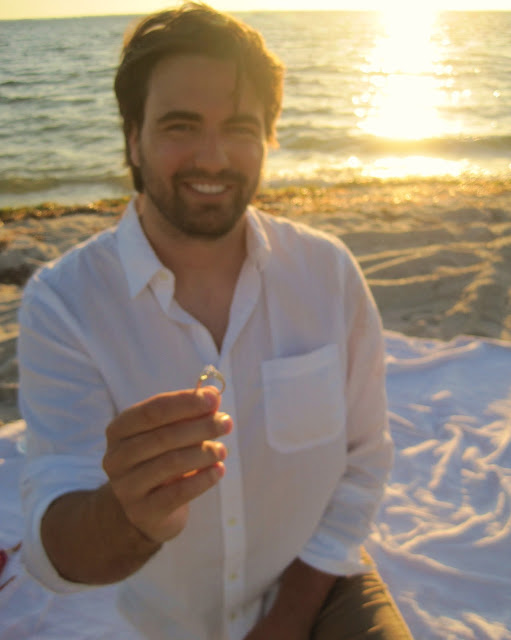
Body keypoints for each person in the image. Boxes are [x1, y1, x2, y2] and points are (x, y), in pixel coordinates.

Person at [18, 3, 412, 639]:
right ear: (132, 138)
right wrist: (130, 514)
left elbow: (365, 460)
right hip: (156, 621)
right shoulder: (65, 304)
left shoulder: (327, 274)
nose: (213, 156)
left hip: (318, 582)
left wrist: (287, 620)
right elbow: (59, 541)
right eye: (181, 125)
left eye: (240, 127)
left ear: (269, 138)